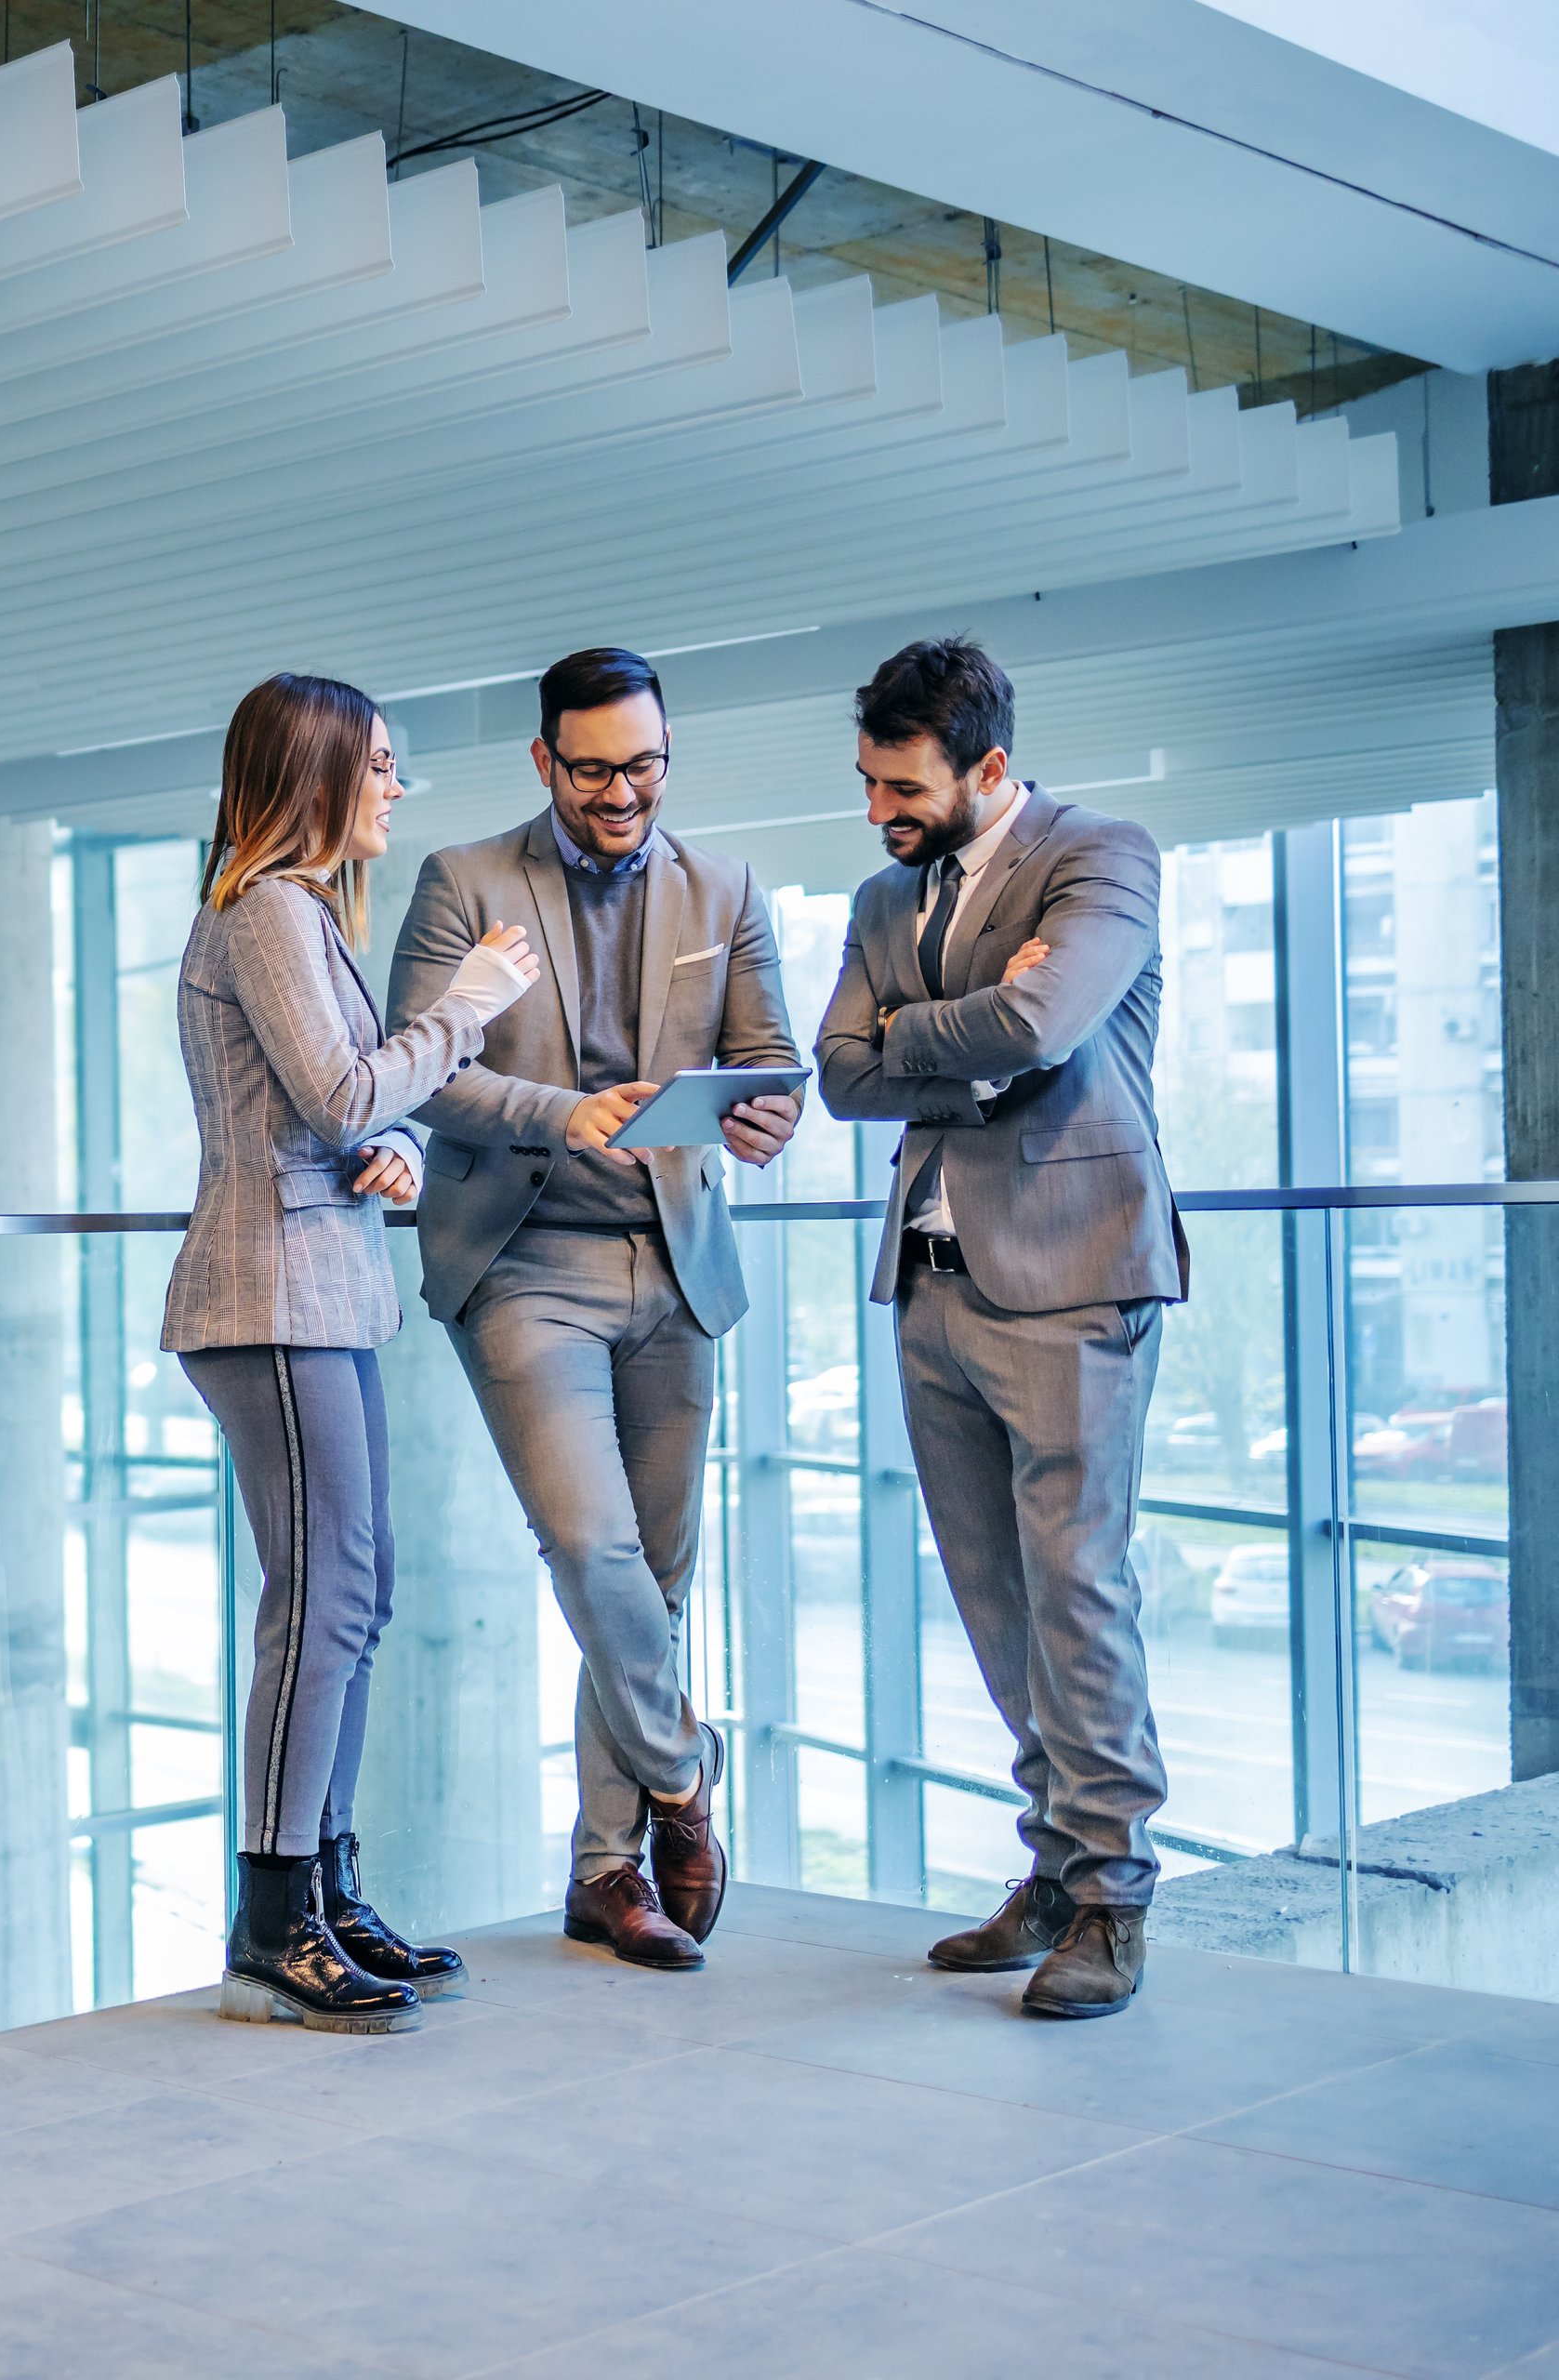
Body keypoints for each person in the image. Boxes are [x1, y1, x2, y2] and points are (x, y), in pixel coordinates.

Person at [385, 647, 802, 1973]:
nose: (626, 793)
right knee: (591, 1549)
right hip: (524, 1260)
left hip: (676, 1260)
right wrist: (569, 1113)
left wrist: (766, 1112)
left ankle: (608, 1872)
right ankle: (689, 1774)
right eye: (598, 769)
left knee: (657, 1579)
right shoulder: (465, 881)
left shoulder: (722, 887)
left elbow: (762, 1054)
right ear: (544, 762)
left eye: (647, 766)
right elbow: (426, 1074)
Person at [814, 636, 1187, 2019]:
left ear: (987, 766)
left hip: (1076, 1273)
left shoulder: (1103, 857)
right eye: (868, 783)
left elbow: (1044, 1012)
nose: (878, 813)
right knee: (994, 1598)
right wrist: (966, 1047)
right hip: (931, 1278)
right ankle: (1051, 1864)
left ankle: (1112, 1895)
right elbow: (839, 1073)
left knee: (1078, 1587)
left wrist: (939, 1030)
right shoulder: (879, 896)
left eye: (901, 786)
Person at [167, 670, 540, 2034]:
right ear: (318, 773)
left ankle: (320, 1886)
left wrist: (380, 1145)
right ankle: (275, 1921)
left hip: (314, 1294)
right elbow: (334, 1085)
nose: (396, 787)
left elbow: (321, 1113)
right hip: (268, 1302)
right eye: (380, 764)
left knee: (353, 1595)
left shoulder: (296, 917)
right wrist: (469, 1002)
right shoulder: (266, 908)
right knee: (321, 1603)